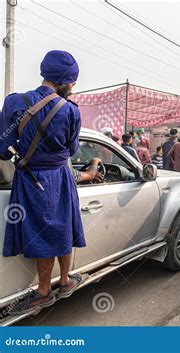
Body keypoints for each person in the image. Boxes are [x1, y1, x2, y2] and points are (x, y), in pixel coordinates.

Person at [0, 50, 88, 315]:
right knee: (62, 227)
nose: (72, 87)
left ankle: (43, 291)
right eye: (72, 82)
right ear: (64, 82)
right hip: (60, 178)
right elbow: (72, 150)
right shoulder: (71, 110)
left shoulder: (15, 102)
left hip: (29, 178)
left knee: (42, 230)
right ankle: (62, 282)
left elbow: (3, 149)